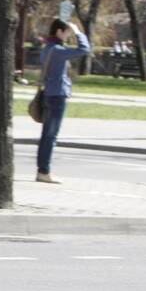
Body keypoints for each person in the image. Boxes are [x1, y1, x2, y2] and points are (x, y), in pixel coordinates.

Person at [36, 18, 91, 184]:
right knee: (51, 136)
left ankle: (42, 170)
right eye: (67, 32)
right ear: (59, 32)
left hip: (47, 95)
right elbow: (85, 49)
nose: (68, 35)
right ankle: (44, 172)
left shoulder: (47, 48)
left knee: (46, 135)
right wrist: (79, 32)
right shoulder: (59, 51)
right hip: (57, 97)